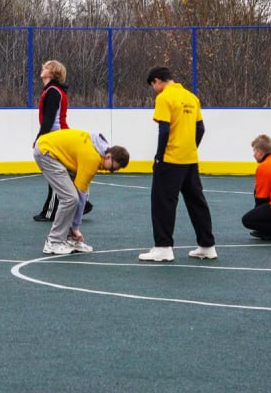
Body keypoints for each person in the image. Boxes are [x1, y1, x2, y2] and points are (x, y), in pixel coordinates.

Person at [139, 66, 217, 262]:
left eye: (153, 86)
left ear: (157, 81)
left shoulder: (164, 98)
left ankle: (163, 247)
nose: (154, 89)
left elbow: (164, 130)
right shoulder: (192, 97)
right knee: (196, 202)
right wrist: (191, 147)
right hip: (190, 158)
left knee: (162, 203)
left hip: (171, 159)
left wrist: (159, 156)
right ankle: (207, 245)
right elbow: (201, 128)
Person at [34, 127, 129, 254]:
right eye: (112, 168)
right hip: (46, 152)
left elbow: (84, 192)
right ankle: (54, 242)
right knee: (70, 198)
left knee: (76, 196)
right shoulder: (92, 158)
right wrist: (75, 228)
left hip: (55, 152)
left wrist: (74, 228)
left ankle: (69, 239)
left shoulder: (100, 149)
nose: (110, 171)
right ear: (108, 156)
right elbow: (80, 195)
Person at [32, 60, 92, 222]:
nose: (42, 68)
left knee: (56, 177)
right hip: (59, 135)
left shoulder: (52, 91)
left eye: (46, 67)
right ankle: (82, 202)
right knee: (63, 175)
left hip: (56, 137)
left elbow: (49, 119)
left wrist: (40, 138)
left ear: (52, 73)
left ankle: (50, 212)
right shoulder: (53, 90)